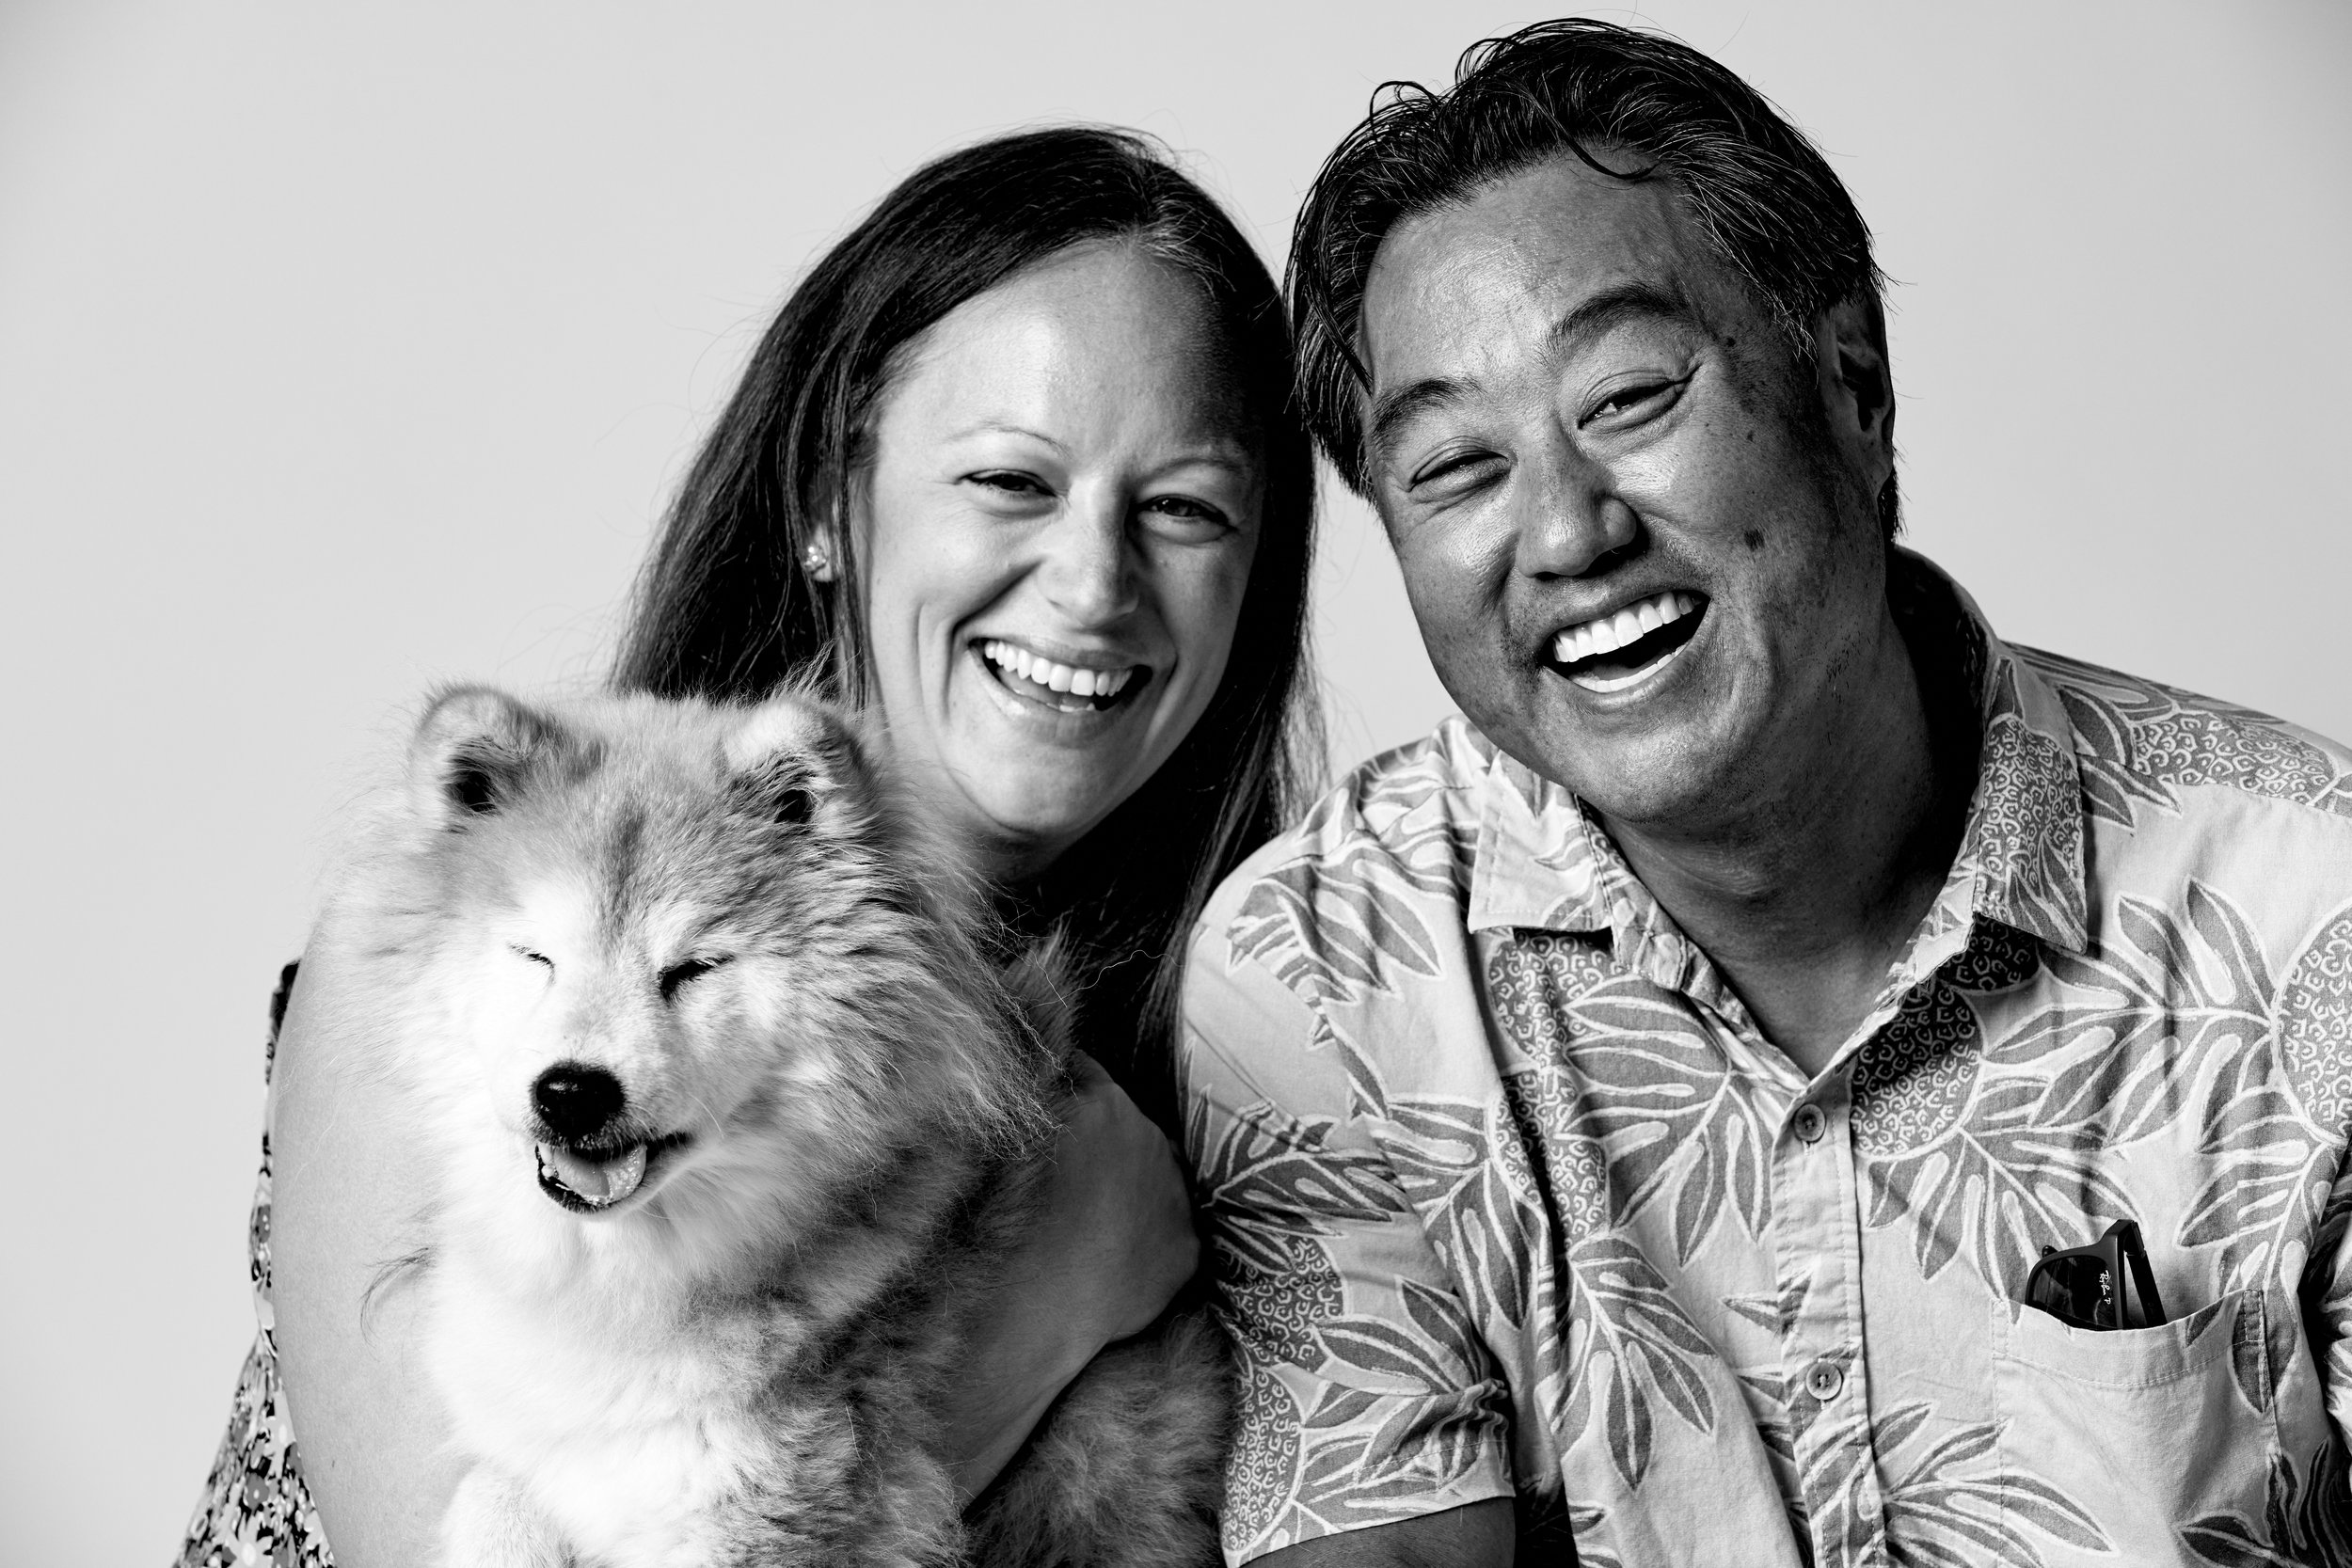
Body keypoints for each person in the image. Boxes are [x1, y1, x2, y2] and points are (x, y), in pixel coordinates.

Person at [1181, 18, 2352, 1567]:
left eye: (1628, 396)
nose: (1566, 534)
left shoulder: (2312, 917)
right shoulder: (1325, 984)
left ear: (1853, 385)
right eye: (1456, 466)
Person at [179, 124, 1320, 1568]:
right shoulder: (440, 947)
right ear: (827, 504)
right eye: (1010, 483)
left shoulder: (1277, 1043)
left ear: (1256, 575)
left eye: (1182, 508)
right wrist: (1055, 1309)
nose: (1094, 583)